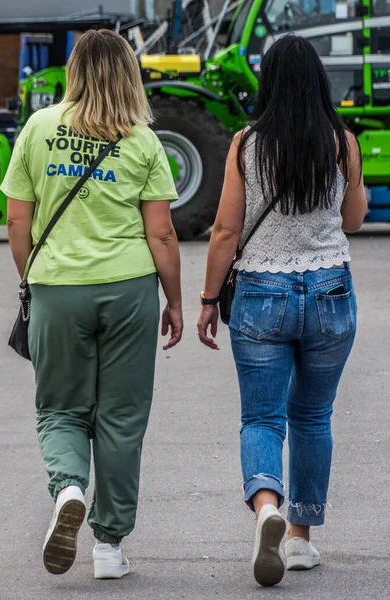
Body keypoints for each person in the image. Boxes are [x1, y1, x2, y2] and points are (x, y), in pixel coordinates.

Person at [1, 29, 183, 579]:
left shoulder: (37, 128)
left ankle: (69, 489)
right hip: (129, 289)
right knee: (122, 419)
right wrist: (174, 301)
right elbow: (164, 235)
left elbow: (15, 220)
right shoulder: (143, 139)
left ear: (74, 70)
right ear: (129, 72)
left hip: (57, 288)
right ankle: (109, 546)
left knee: (60, 407)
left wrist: (34, 280)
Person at [197, 35, 367, 587]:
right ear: (317, 80)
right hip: (330, 293)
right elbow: (354, 219)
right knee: (313, 417)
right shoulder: (343, 142)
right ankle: (299, 539)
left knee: (262, 418)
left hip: (262, 294)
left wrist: (205, 300)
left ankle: (266, 504)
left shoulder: (246, 144)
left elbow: (225, 230)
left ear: (268, 81)